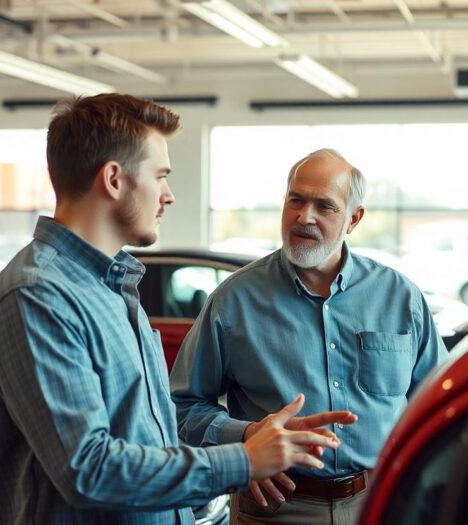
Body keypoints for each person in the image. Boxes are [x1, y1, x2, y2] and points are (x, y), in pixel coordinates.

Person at [0, 95, 357, 525]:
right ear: (114, 179)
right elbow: (89, 469)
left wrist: (248, 436)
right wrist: (243, 461)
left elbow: (152, 427)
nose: (169, 196)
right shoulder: (36, 296)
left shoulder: (114, 288)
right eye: (161, 176)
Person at [170, 148, 448, 524]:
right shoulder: (234, 301)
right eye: (295, 201)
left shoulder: (400, 298)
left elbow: (437, 405)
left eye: (325, 206)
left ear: (354, 218)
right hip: (276, 510)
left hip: (381, 503)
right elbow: (181, 406)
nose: (305, 217)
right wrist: (245, 437)